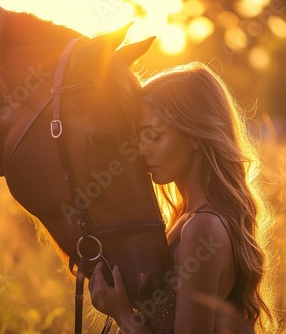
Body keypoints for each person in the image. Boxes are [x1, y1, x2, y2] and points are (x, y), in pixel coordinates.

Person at [88, 61, 276, 334]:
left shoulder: (203, 228)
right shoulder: (186, 217)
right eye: (139, 138)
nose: (141, 151)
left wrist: (122, 314)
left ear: (195, 136)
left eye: (154, 136)